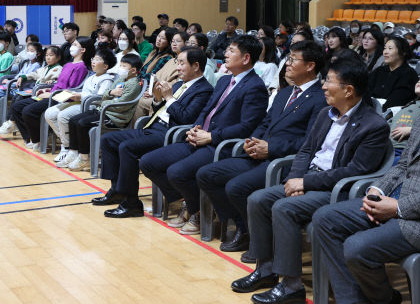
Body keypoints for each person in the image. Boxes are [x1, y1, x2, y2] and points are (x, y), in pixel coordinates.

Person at [230, 57, 390, 304]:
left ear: (348, 90)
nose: (324, 86)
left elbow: (354, 171)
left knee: (283, 208)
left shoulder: (374, 125)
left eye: (329, 82)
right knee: (258, 199)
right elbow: (306, 150)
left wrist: (306, 184)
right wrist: (296, 177)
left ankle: (291, 285)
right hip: (307, 178)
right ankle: (265, 269)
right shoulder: (326, 113)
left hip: (336, 190)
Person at [313, 49, 420, 304]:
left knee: (357, 247)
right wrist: (377, 191)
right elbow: (402, 167)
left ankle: (383, 299)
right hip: (392, 203)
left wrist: (399, 207)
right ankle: (356, 300)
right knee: (325, 218)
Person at [197, 41, 326, 257]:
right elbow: (265, 122)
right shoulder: (285, 93)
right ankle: (244, 226)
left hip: (285, 161)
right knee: (207, 174)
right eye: (289, 58)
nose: (288, 63)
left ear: (310, 65)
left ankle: (259, 238)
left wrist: (271, 148)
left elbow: (310, 142)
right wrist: (253, 140)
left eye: (293, 59)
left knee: (236, 187)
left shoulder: (320, 98)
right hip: (261, 153)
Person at [140, 35, 269, 235]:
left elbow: (247, 127)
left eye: (231, 51)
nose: (225, 54)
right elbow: (207, 110)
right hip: (199, 138)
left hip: (219, 145)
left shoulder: (255, 86)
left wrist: (211, 137)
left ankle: (198, 211)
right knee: (149, 162)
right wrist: (196, 127)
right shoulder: (224, 79)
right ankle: (192, 203)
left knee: (177, 172)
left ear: (245, 58)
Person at [95, 47, 214, 217]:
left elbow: (186, 118)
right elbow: (162, 109)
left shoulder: (204, 89)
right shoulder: (180, 84)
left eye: (181, 63)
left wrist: (168, 98)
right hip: (153, 126)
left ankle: (131, 203)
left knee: (127, 147)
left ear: (195, 66)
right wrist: (158, 99)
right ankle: (117, 190)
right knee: (108, 139)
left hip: (169, 133)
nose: (178, 67)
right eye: (177, 63)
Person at [59, 53, 143, 171]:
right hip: (103, 111)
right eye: (121, 65)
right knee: (73, 120)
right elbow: (104, 95)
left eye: (124, 66)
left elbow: (120, 106)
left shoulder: (134, 85)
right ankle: (73, 152)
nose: (120, 68)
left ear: (133, 70)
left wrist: (104, 102)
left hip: (114, 117)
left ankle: (84, 159)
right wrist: (111, 93)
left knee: (82, 124)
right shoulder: (121, 79)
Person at [10, 37, 93, 151]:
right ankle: (30, 138)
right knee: (16, 107)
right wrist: (47, 90)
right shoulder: (68, 65)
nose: (71, 47)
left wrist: (51, 95)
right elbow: (59, 83)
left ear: (83, 50)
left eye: (75, 45)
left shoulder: (81, 67)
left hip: (60, 98)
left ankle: (39, 140)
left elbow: (70, 89)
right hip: (53, 94)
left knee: (28, 111)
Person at [46, 48, 116, 163]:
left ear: (105, 66)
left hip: (90, 106)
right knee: (50, 113)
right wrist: (73, 94)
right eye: (93, 58)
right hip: (80, 102)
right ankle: (68, 145)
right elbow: (84, 91)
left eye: (98, 59)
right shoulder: (91, 76)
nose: (93, 61)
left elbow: (99, 98)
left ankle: (70, 149)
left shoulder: (106, 80)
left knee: (62, 116)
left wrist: (80, 96)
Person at [0, 46, 63, 136]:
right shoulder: (46, 68)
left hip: (44, 93)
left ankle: (11, 123)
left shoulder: (59, 69)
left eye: (51, 55)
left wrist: (52, 82)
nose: (48, 57)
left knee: (20, 99)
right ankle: (10, 122)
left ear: (58, 57)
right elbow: (34, 74)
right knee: (17, 96)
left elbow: (59, 82)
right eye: (46, 55)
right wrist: (23, 77)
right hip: (36, 91)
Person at [0, 41, 44, 135]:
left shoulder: (37, 65)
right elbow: (18, 76)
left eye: (32, 51)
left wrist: (9, 82)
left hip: (21, 89)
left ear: (38, 53)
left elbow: (21, 80)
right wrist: (10, 81)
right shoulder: (27, 63)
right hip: (12, 86)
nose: (29, 52)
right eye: (28, 50)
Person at [133, 30, 187, 119]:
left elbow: (176, 84)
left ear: (186, 43)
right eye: (173, 41)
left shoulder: (173, 59)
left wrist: (155, 93)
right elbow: (156, 77)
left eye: (177, 41)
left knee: (141, 101)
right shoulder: (170, 60)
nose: (174, 43)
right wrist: (152, 91)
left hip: (168, 95)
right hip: (156, 90)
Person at [368, 35, 418, 110]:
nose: (385, 52)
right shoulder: (379, 71)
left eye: (390, 48)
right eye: (385, 48)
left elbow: (397, 101)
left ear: (403, 52)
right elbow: (366, 90)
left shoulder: (408, 74)